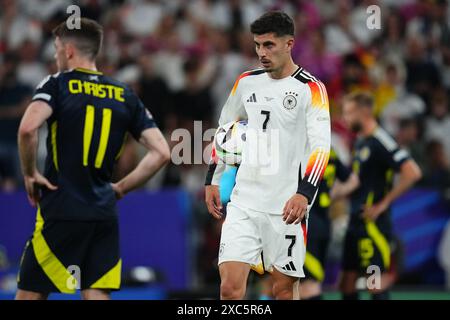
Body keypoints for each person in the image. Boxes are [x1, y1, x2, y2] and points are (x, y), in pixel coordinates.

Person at [15, 18, 170, 300]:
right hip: (103, 213)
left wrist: (29, 173)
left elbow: (27, 128)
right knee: (96, 294)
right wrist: (121, 188)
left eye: (57, 48)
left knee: (30, 295)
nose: (55, 55)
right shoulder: (125, 94)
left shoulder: (57, 84)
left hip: (61, 209)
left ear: (69, 50)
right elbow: (162, 152)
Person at [204, 11, 331, 300]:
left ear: (289, 44)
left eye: (269, 45)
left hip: (286, 207)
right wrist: (213, 178)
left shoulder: (311, 89)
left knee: (283, 291)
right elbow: (224, 130)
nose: (261, 52)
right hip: (244, 203)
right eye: (258, 45)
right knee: (229, 289)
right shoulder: (246, 82)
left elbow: (321, 148)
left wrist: (304, 193)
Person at [339, 92, 422, 300]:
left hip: (372, 225)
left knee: (374, 284)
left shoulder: (381, 140)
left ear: (365, 112)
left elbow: (413, 172)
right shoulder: (360, 141)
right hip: (355, 222)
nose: (345, 118)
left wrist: (382, 204)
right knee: (347, 284)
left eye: (349, 113)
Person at [300, 148, 359, 300]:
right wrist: (329, 195)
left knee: (307, 285)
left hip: (306, 226)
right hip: (323, 224)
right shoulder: (328, 150)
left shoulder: (301, 149)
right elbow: (353, 181)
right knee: (301, 284)